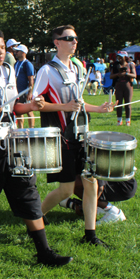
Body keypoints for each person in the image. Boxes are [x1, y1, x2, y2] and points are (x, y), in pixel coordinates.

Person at [0, 27, 72, 266]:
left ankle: (44, 252)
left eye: (2, 47)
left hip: (13, 146)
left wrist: (32, 106)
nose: (0, 52)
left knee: (28, 194)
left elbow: (14, 107)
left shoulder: (8, 72)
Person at [33, 25, 113, 247]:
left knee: (91, 184)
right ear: (56, 43)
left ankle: (90, 235)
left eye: (75, 38)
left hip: (82, 134)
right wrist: (64, 107)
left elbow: (78, 103)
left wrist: (99, 109)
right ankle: (35, 218)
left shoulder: (76, 69)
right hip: (63, 137)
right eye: (68, 38)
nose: (74, 41)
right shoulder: (47, 71)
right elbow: (36, 103)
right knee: (66, 189)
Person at [60, 176, 136, 224]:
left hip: (122, 184)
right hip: (116, 179)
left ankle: (113, 212)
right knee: (70, 178)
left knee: (74, 182)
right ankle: (95, 208)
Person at [111, 51, 136, 126]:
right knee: (119, 103)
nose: (119, 58)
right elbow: (111, 76)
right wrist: (118, 74)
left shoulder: (130, 65)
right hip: (118, 85)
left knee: (128, 104)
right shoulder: (115, 65)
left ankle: (128, 121)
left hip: (127, 85)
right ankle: (119, 120)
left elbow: (134, 75)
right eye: (118, 57)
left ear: (125, 57)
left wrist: (126, 73)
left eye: (121, 57)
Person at [13, 44, 35, 128]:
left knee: (29, 110)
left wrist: (30, 92)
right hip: (18, 91)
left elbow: (31, 79)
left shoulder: (27, 64)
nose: (15, 53)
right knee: (19, 110)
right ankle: (20, 129)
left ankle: (31, 129)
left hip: (25, 91)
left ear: (23, 52)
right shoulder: (16, 63)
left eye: (17, 51)